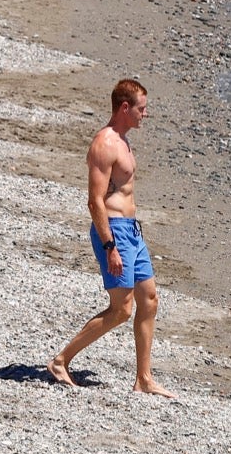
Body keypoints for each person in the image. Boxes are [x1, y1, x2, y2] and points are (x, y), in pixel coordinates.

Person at [48, 79, 174, 397]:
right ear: (125, 108)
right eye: (142, 109)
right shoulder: (104, 144)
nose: (146, 114)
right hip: (114, 232)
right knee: (121, 309)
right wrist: (110, 246)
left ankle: (143, 379)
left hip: (132, 230)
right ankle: (62, 360)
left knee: (149, 300)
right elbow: (94, 201)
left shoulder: (124, 140)